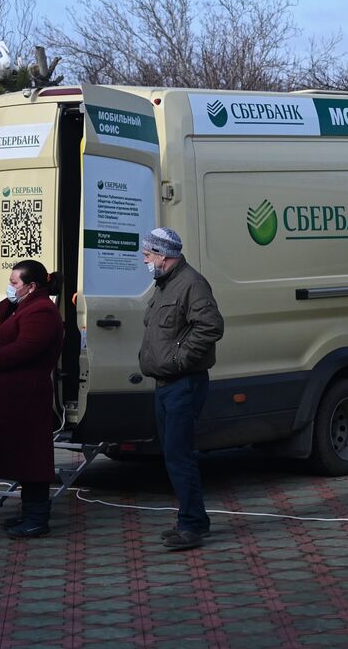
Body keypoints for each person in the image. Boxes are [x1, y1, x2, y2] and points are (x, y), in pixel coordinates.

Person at [138, 228, 224, 551]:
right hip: (166, 384)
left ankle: (192, 525)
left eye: (148, 254)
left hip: (183, 383)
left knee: (179, 455)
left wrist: (178, 359)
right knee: (174, 454)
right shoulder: (164, 284)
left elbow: (211, 326)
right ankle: (191, 519)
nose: (145, 260)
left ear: (162, 255)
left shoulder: (191, 284)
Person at [0, 260, 63, 539]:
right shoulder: (24, 307)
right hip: (13, 396)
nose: (9, 288)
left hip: (26, 397)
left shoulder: (42, 311)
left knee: (31, 457)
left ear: (31, 286)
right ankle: (29, 512)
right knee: (22, 456)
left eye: (14, 283)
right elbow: (3, 339)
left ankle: (37, 517)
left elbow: (25, 349)